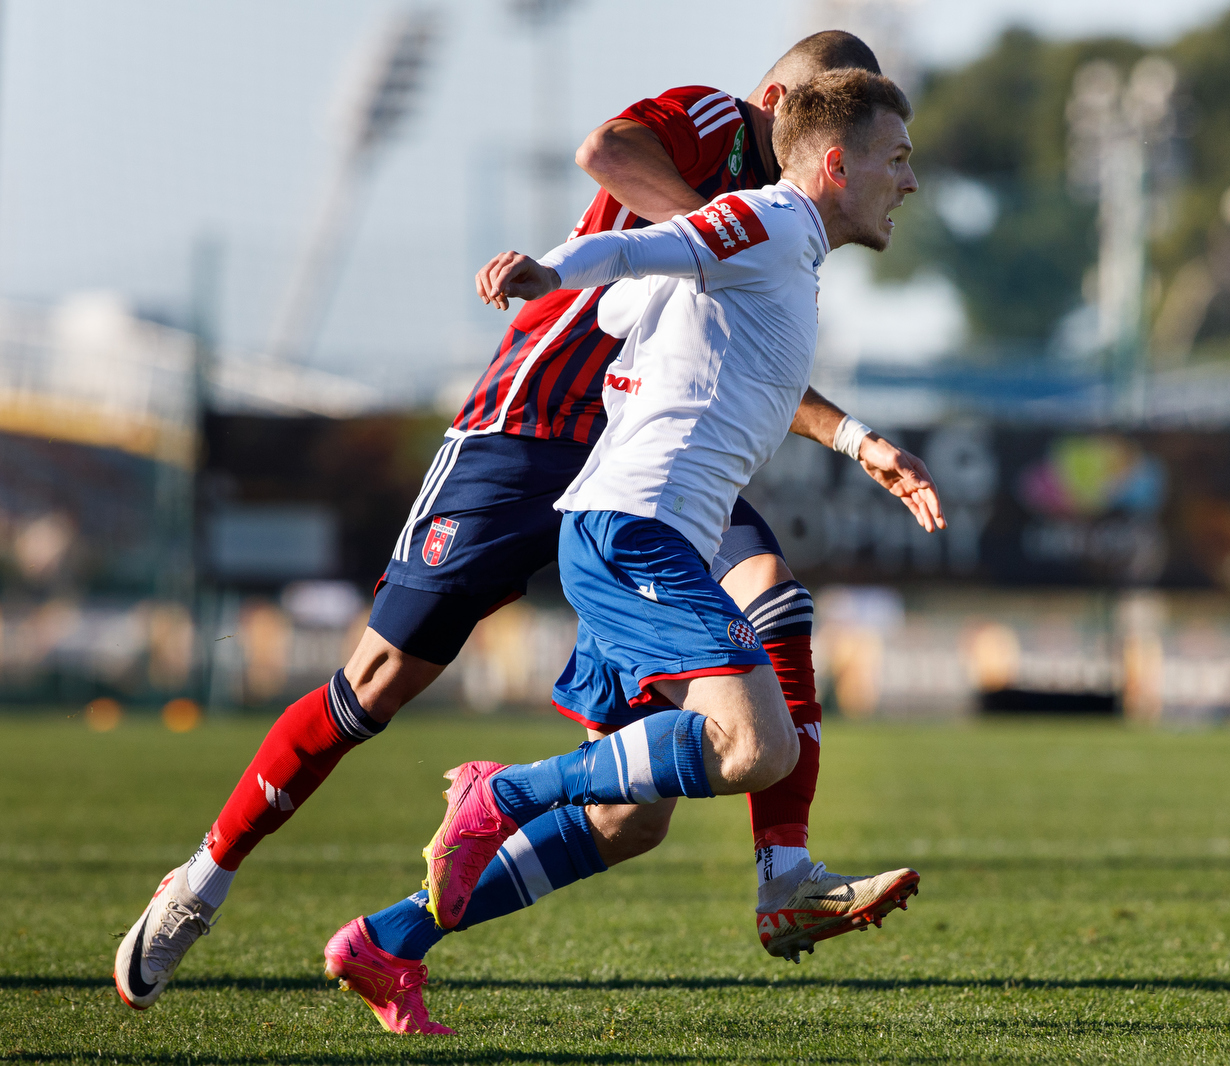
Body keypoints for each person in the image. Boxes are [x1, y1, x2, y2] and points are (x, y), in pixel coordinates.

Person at [115, 32, 941, 1015]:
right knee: (373, 685)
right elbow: (605, 152)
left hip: (638, 455)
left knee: (646, 796)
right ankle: (201, 880)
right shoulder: (728, 143)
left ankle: (412, 934)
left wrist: (851, 436)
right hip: (529, 430)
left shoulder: (777, 235)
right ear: (782, 101)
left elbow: (747, 343)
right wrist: (711, 236)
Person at [325, 66, 921, 1035]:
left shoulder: (784, 255)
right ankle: (503, 790)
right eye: (897, 160)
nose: (909, 182)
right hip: (631, 532)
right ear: (837, 165)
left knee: (629, 819)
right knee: (756, 742)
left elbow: (643, 292)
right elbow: (664, 241)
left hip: (632, 529)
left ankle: (390, 939)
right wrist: (549, 272)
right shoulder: (768, 222)